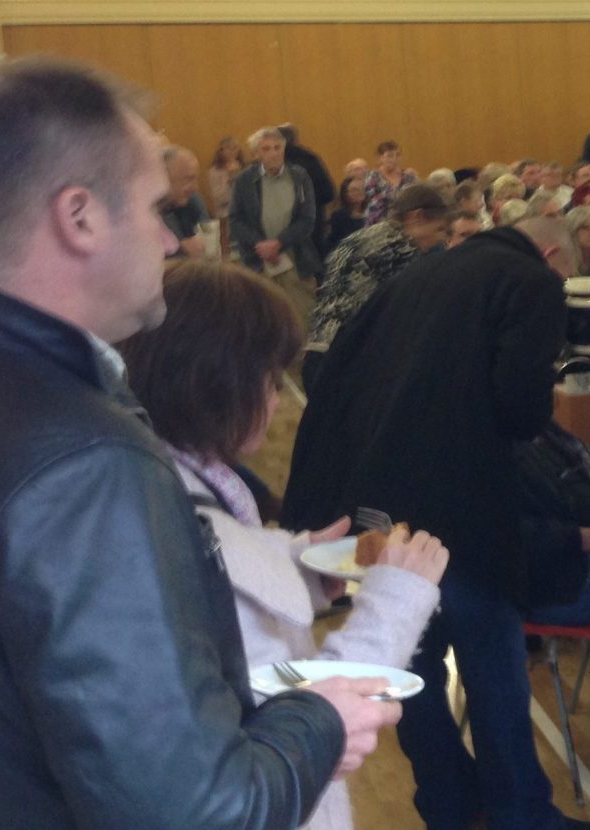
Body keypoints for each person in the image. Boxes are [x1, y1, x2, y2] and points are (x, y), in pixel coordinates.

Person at [0, 56, 395, 828]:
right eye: (156, 206)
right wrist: (321, 719)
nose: (171, 237)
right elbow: (194, 811)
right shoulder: (79, 459)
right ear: (81, 216)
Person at [281, 215, 590, 830]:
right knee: (493, 662)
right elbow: (521, 412)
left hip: (375, 498)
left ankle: (448, 802)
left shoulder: (428, 268)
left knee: (414, 665)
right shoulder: (529, 280)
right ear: (550, 255)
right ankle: (521, 815)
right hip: (458, 503)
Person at [118, 260, 450, 830]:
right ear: (216, 381)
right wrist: (399, 598)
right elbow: (301, 713)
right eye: (269, 380)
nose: (275, 401)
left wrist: (293, 566)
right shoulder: (177, 524)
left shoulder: (164, 478)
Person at [305, 184, 450, 388]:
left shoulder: (357, 239)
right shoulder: (403, 247)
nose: (442, 239)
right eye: (440, 229)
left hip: (317, 353)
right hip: (350, 361)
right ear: (416, 217)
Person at [230, 126, 324, 298]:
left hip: (295, 258)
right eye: (266, 149)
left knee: (302, 315)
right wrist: (259, 244)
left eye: (277, 147)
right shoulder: (244, 180)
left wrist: (279, 243)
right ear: (256, 154)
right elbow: (235, 219)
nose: (273, 153)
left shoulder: (299, 177)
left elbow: (307, 219)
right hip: (258, 260)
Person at [161, 144, 210, 259]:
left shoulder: (189, 201)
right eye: (189, 179)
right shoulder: (142, 217)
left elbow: (205, 226)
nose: (195, 187)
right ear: (164, 176)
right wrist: (181, 251)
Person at [362, 140, 418, 227]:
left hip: (405, 224)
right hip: (378, 225)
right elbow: (376, 202)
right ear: (380, 158)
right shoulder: (372, 177)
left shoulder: (408, 177)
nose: (394, 159)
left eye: (397, 155)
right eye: (389, 156)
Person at [206, 134, 244, 222]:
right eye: (228, 148)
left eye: (234, 148)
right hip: (225, 213)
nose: (231, 151)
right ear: (221, 151)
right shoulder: (215, 171)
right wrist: (230, 178)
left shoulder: (245, 168)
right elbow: (219, 200)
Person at [328, 175, 368, 248]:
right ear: (345, 194)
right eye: (354, 190)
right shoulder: (339, 216)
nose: (359, 192)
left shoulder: (372, 213)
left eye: (362, 189)